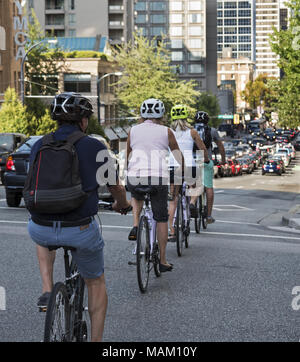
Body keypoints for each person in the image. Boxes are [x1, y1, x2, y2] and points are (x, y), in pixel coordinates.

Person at [27, 92, 131, 342]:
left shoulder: (39, 144)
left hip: (40, 226)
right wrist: (122, 204)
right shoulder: (95, 146)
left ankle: (47, 288)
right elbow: (115, 186)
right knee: (96, 283)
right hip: (80, 229)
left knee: (42, 228)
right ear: (83, 121)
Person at [126, 98, 184, 272]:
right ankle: (163, 260)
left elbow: (128, 154)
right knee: (161, 218)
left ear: (142, 114)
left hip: (135, 176)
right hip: (158, 178)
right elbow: (178, 155)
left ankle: (136, 224)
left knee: (136, 196)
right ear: (162, 114)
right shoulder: (167, 131)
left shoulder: (132, 130)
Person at [168, 104, 212, 242]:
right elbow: (202, 147)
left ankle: (172, 231)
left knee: (173, 200)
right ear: (186, 116)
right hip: (189, 166)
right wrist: (205, 159)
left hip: (173, 166)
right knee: (197, 187)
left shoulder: (168, 131)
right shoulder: (192, 132)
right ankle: (192, 203)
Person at [193, 111, 226, 224]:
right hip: (206, 161)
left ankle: (191, 205)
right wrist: (223, 160)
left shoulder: (191, 131)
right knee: (208, 187)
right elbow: (221, 147)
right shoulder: (212, 131)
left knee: (193, 185)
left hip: (193, 161)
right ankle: (208, 216)